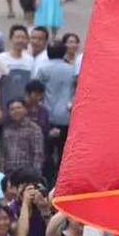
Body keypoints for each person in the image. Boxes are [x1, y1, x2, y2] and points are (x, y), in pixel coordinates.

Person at [36, 42, 75, 179]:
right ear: (64, 52)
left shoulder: (43, 69)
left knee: (46, 151)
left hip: (48, 116)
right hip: (66, 116)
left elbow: (36, 89)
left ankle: (48, 178)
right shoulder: (71, 69)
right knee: (63, 152)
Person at [0, 25, 33, 119]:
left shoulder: (30, 60)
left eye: (23, 37)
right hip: (5, 108)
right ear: (11, 39)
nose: (20, 40)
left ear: (27, 40)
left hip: (23, 109)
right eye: (17, 37)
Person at [0, 99, 44, 175]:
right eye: (12, 109)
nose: (16, 111)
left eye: (18, 108)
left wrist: (35, 174)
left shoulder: (34, 129)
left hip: (27, 173)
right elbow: (3, 153)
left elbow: (38, 154)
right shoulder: (7, 130)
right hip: (9, 172)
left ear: (25, 110)